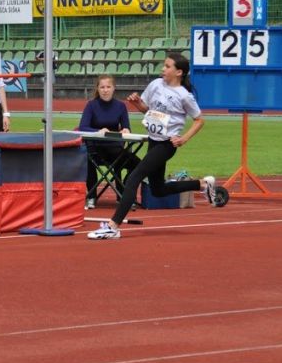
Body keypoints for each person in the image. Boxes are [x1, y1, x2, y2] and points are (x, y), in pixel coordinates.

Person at [88, 52, 217, 240]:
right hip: (153, 141)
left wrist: (184, 139)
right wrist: (137, 104)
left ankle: (113, 226)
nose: (163, 69)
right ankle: (203, 184)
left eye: (167, 66)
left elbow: (199, 120)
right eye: (163, 65)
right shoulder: (156, 84)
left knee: (133, 178)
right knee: (158, 190)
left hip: (166, 145)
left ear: (179, 72)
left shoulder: (184, 96)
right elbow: (148, 112)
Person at [78, 74, 141, 209]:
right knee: (87, 159)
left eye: (108, 87)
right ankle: (92, 196)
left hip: (115, 150)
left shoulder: (121, 106)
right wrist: (98, 131)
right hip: (95, 149)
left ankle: (124, 192)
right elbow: (82, 127)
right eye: (102, 87)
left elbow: (127, 127)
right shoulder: (91, 105)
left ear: (114, 88)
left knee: (138, 164)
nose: (105, 90)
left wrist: (126, 130)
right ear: (98, 89)